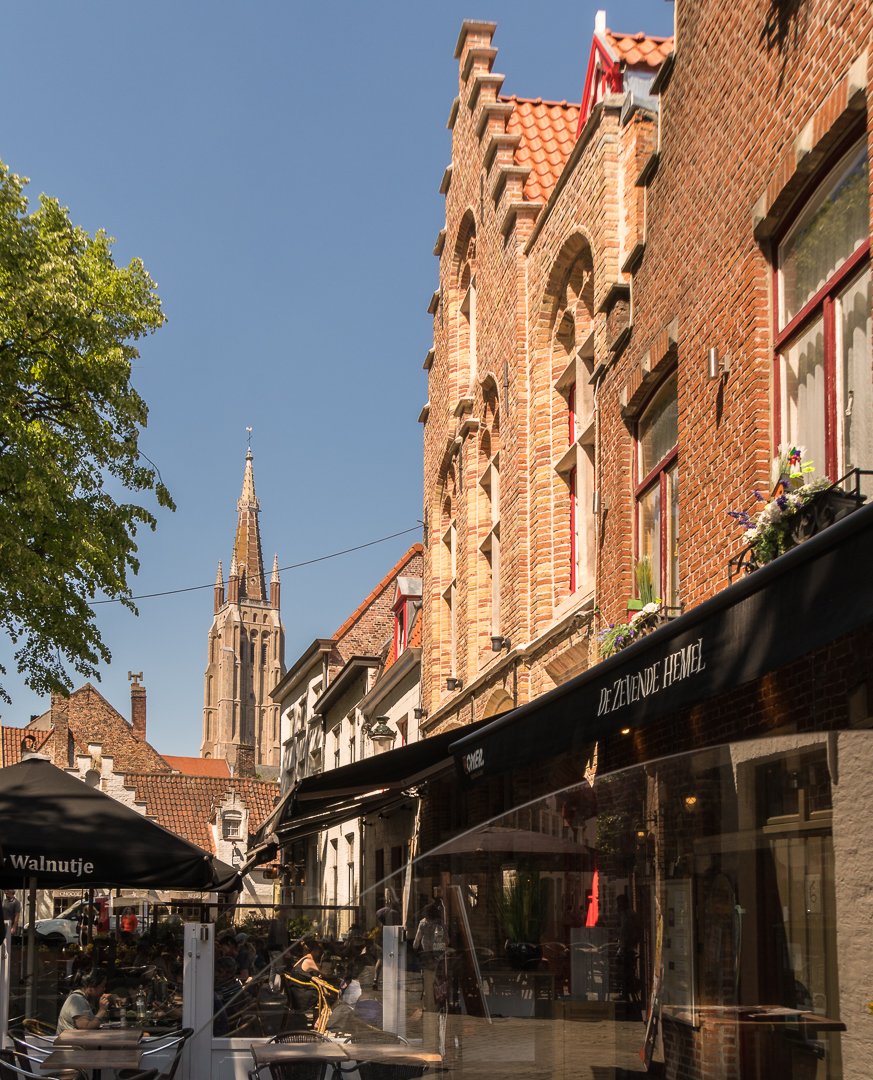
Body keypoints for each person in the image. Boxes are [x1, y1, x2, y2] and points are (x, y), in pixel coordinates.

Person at [57, 967, 112, 1032]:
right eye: (102, 986)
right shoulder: (77, 1000)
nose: (104, 989)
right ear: (91, 986)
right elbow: (86, 1028)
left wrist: (112, 997)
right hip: (70, 1041)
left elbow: (103, 996)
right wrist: (102, 1011)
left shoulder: (87, 997)